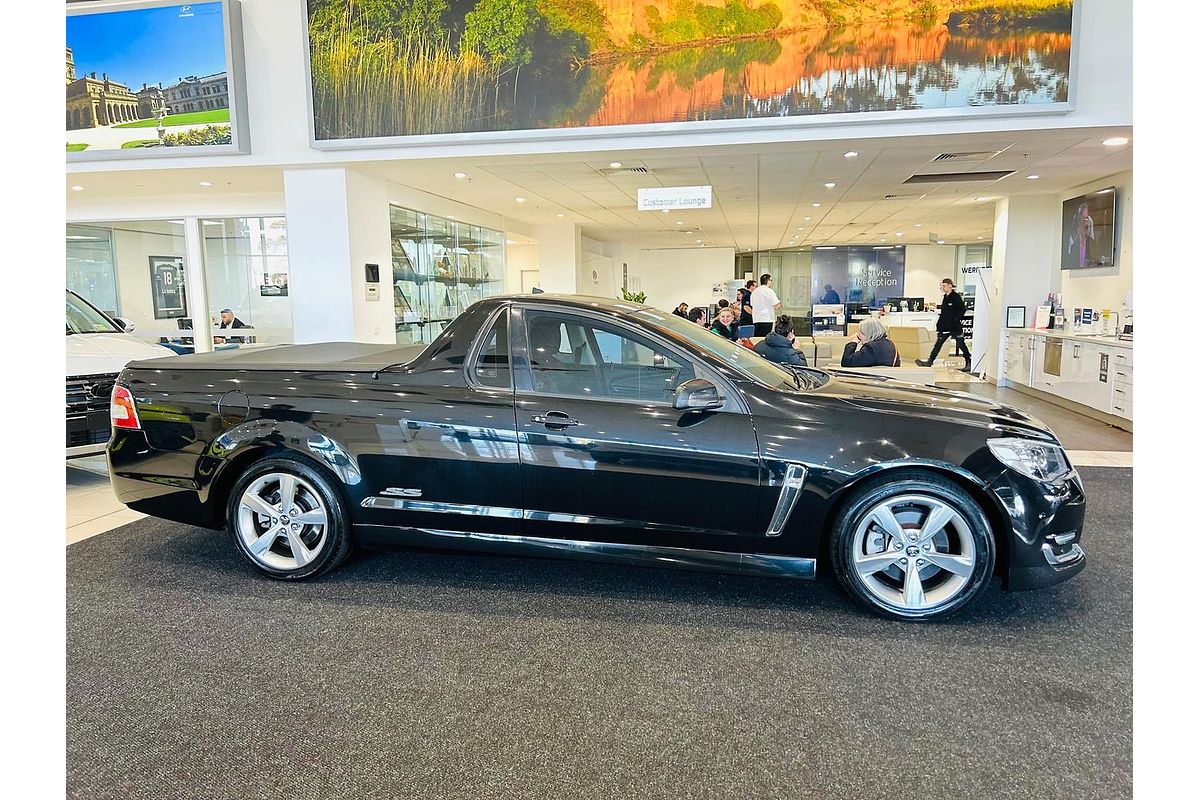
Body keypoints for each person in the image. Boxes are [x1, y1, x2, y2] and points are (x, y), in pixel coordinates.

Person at [916, 279, 971, 372]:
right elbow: (944, 313)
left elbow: (962, 310)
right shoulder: (945, 297)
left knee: (961, 344)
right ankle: (930, 361)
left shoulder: (956, 297)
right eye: (942, 286)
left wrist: (956, 319)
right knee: (938, 344)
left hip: (954, 327)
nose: (942, 288)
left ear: (950, 286)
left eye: (944, 286)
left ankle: (968, 361)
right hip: (944, 327)